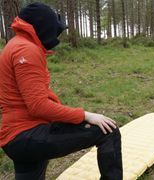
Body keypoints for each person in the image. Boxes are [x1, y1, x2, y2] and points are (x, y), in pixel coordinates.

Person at [0, 2, 123, 180]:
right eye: (55, 29)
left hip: (17, 135)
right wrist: (86, 115)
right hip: (26, 135)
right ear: (44, 26)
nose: (56, 35)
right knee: (108, 131)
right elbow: (38, 106)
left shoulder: (16, 44)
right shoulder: (26, 50)